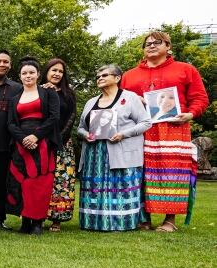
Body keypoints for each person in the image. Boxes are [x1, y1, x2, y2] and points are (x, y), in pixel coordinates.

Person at [120, 30, 209, 232]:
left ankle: (170, 220)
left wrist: (190, 114)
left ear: (168, 47)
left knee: (172, 173)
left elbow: (200, 98)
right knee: (139, 172)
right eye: (147, 43)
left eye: (157, 42)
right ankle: (143, 218)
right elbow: (120, 101)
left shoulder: (185, 69)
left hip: (174, 129)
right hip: (140, 130)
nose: (151, 45)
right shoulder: (129, 76)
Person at [77, 64, 152, 231]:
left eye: (104, 75)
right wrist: (85, 135)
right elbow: (80, 127)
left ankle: (123, 222)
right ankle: (93, 222)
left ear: (117, 78)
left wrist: (123, 134)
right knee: (95, 188)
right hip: (94, 154)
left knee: (119, 186)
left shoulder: (130, 98)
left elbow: (146, 122)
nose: (100, 78)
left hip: (120, 151)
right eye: (98, 76)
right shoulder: (91, 102)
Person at [6, 57, 61, 236]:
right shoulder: (14, 98)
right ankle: (25, 220)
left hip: (42, 143)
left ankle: (37, 222)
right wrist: (23, 139)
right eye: (24, 73)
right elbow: (11, 124)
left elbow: (54, 117)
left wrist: (36, 136)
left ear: (38, 74)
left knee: (40, 183)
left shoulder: (49, 93)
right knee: (21, 182)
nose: (28, 76)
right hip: (21, 145)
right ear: (19, 76)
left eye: (31, 72)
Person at [0, 50, 22, 230]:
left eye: (6, 62)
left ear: (10, 65)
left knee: (2, 183)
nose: (2, 64)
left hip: (5, 143)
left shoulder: (17, 88)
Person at [41, 58, 77, 232]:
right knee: (42, 180)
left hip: (62, 143)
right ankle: (38, 216)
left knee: (61, 181)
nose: (56, 74)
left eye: (60, 71)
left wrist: (60, 139)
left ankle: (57, 219)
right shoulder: (38, 91)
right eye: (53, 70)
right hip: (41, 142)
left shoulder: (68, 94)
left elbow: (71, 117)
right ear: (46, 71)